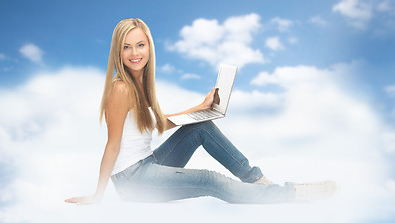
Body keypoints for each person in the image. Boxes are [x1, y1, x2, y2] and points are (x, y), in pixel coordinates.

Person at [65, 18, 337, 205]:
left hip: (150, 164)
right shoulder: (121, 88)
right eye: (126, 47)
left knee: (200, 127)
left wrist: (200, 108)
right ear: (118, 51)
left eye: (140, 45)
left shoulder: (141, 83)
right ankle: (289, 194)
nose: (134, 53)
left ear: (149, 46)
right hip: (133, 180)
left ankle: (258, 180)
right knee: (210, 180)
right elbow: (112, 145)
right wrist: (97, 195)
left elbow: (155, 124)